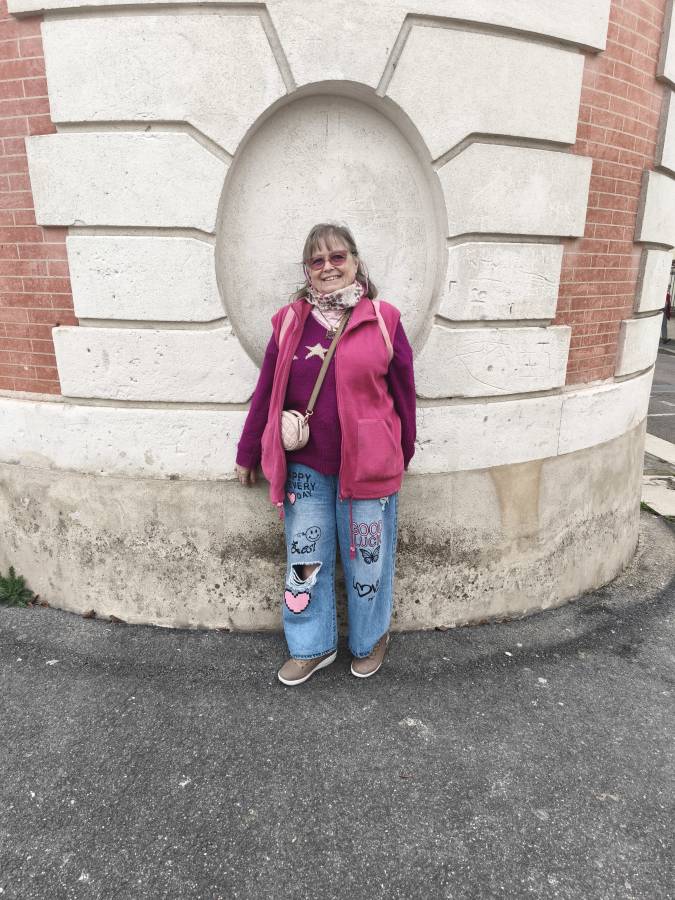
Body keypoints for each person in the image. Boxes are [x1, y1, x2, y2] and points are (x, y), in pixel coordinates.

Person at [234, 223, 416, 685]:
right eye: (318, 260)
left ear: (355, 261)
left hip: (370, 467)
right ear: (307, 270)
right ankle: (311, 646)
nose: (328, 267)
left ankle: (370, 639)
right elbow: (266, 392)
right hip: (306, 469)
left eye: (337, 257)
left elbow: (404, 393)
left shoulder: (384, 319)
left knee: (368, 561)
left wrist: (403, 451)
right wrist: (248, 450)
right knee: (304, 560)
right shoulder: (290, 322)